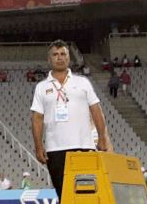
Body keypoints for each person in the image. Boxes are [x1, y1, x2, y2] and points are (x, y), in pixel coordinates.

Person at [31, 40, 111, 202]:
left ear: (69, 58)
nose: (59, 58)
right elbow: (37, 118)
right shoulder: (41, 87)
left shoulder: (83, 82)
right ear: (49, 59)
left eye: (63, 54)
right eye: (55, 54)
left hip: (84, 146)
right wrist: (39, 145)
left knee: (86, 196)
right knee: (64, 196)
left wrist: (102, 138)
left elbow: (96, 110)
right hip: (55, 150)